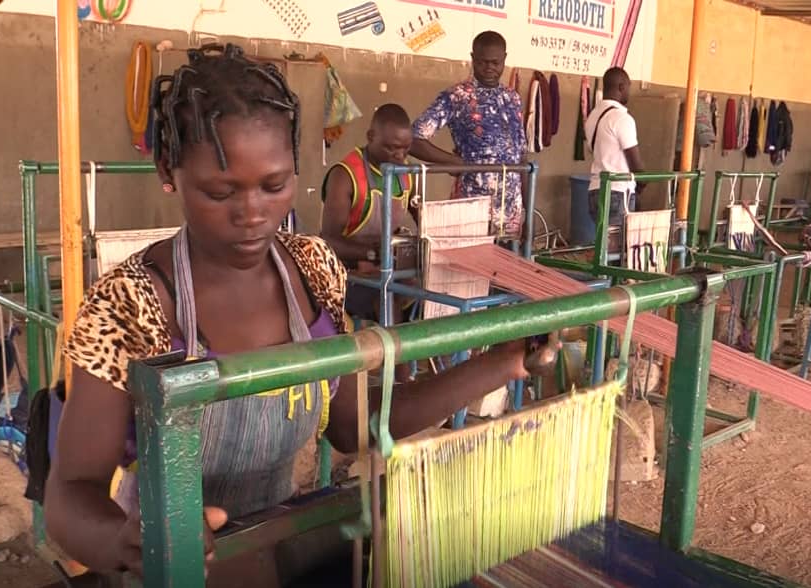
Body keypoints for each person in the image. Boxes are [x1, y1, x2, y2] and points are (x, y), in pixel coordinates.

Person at [43, 43, 559, 587]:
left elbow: (351, 425)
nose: (252, 214)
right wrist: (131, 539)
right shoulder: (130, 304)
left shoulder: (311, 270)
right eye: (220, 192)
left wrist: (503, 363)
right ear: (168, 171)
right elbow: (70, 494)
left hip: (282, 553)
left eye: (274, 185)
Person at [410, 30, 527, 237]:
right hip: (472, 210)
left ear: (504, 60)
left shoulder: (512, 98)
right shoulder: (457, 96)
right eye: (483, 62)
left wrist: (529, 207)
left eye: (495, 62)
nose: (489, 68)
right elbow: (413, 139)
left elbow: (522, 157)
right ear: (472, 58)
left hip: (511, 214)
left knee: (507, 268)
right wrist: (454, 161)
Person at [321, 103, 419, 325]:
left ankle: (434, 357)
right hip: (345, 276)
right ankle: (397, 358)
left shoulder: (407, 174)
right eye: (391, 148)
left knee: (433, 291)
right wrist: (373, 253)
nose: (399, 156)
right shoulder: (345, 175)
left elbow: (425, 220)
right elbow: (327, 242)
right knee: (386, 295)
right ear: (370, 136)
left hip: (385, 269)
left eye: (405, 149)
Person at [584, 66, 645, 226]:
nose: (629, 93)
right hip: (618, 193)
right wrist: (642, 186)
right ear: (621, 87)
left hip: (595, 191)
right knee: (619, 248)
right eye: (628, 87)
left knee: (604, 247)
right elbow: (636, 165)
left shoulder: (592, 117)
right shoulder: (622, 118)